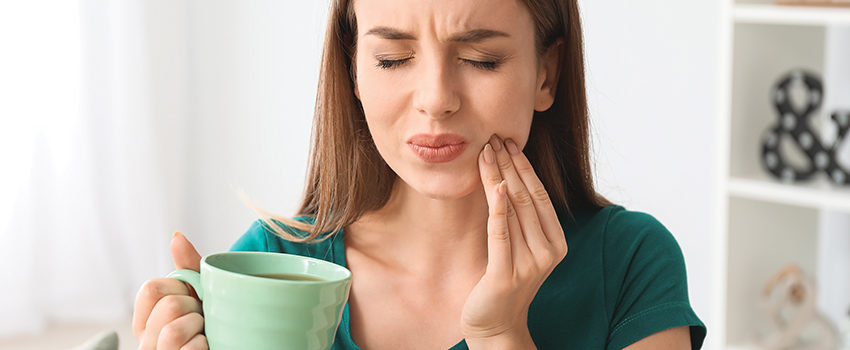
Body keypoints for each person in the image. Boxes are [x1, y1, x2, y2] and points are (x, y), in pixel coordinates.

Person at [132, 0, 707, 348]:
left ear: (546, 74)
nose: (435, 100)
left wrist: (501, 336)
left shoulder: (631, 264)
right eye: (392, 59)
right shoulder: (276, 265)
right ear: (354, 71)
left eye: (481, 59)